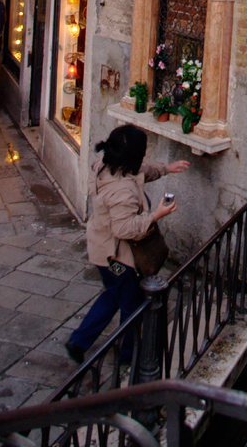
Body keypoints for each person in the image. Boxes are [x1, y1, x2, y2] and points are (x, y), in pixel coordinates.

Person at [66, 124, 189, 365]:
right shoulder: (122, 192)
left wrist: (166, 168)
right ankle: (127, 355)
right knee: (132, 304)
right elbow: (124, 229)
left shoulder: (106, 164)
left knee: (114, 294)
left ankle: (78, 341)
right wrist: (155, 215)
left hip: (100, 247)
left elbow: (140, 171)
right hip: (116, 257)